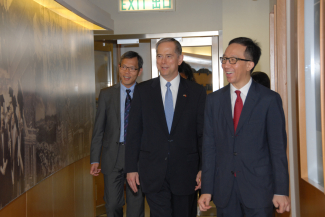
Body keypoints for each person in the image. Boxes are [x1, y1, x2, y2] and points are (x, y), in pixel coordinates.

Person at [198, 37, 290, 217]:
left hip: (259, 190)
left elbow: (278, 149)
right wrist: (207, 189)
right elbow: (209, 147)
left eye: (232, 60)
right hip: (224, 191)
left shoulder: (269, 100)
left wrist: (281, 190)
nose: (225, 65)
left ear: (250, 64)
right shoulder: (214, 100)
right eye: (224, 59)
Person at [125, 38, 206, 217]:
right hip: (153, 172)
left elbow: (202, 134)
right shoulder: (143, 91)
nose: (163, 61)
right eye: (159, 56)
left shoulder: (196, 92)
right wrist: (131, 167)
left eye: (169, 56)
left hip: (186, 173)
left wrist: (203, 167)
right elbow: (134, 132)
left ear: (179, 58)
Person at [90, 51, 145, 217]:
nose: (127, 72)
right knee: (112, 204)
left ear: (139, 71)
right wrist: (94, 158)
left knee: (136, 207)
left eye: (132, 69)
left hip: (137, 157)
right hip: (112, 156)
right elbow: (98, 129)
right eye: (124, 67)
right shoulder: (107, 94)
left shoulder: (146, 94)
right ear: (119, 68)